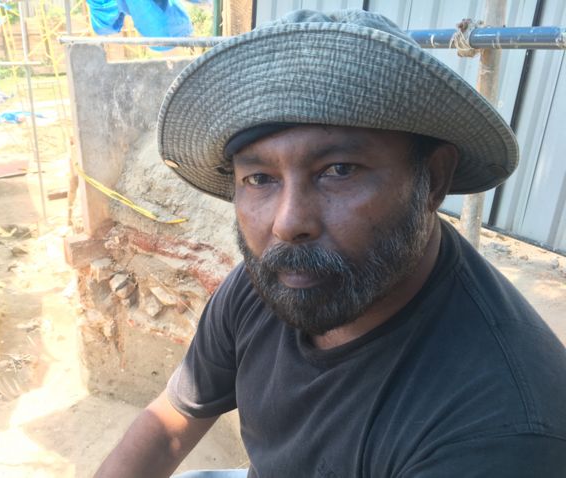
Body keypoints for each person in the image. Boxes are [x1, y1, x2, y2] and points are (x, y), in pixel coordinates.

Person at [95, 9, 566, 478]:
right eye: (260, 178)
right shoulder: (272, 281)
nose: (288, 223)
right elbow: (169, 425)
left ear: (434, 180)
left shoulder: (498, 433)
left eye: (339, 170)